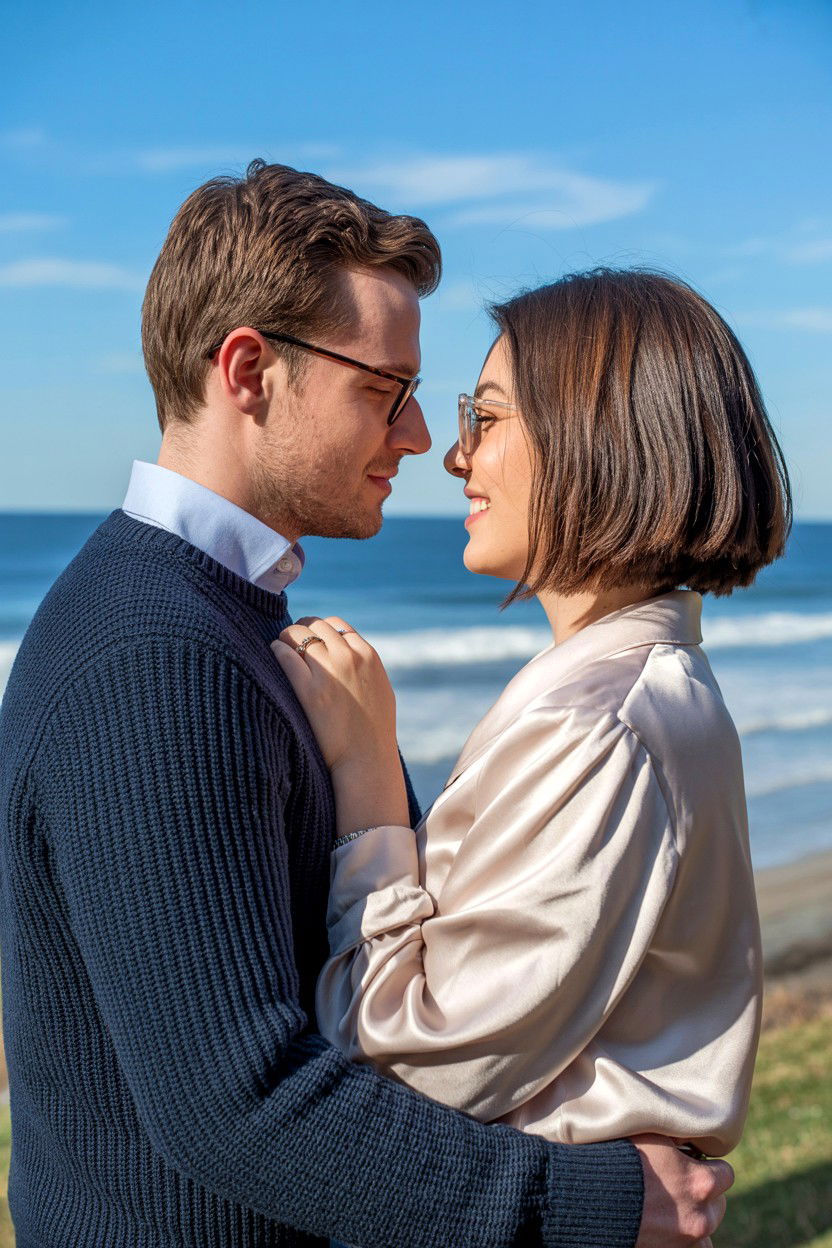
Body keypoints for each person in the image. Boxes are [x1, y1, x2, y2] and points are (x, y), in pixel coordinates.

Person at [0, 164, 731, 1248]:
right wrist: (593, 1205)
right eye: (383, 389)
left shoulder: (225, 619)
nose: (418, 437)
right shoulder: (155, 656)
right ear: (249, 371)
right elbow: (238, 1107)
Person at [276, 270, 791, 1162]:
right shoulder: (638, 691)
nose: (454, 453)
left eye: (488, 416)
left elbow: (407, 1064)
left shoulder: (599, 730)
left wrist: (366, 774)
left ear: (598, 435)